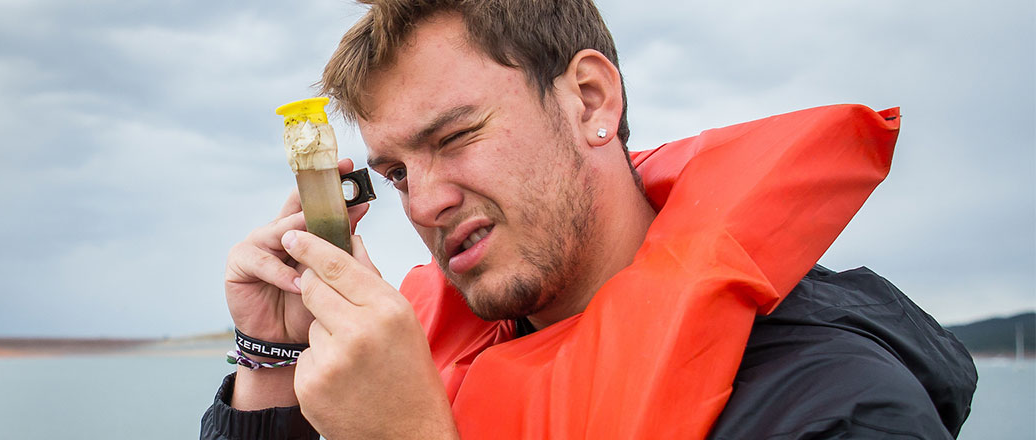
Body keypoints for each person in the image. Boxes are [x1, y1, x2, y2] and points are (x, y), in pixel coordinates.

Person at [201, 1, 976, 439]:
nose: (425, 203)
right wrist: (271, 360)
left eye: (457, 136)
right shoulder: (416, 371)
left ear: (591, 101)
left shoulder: (835, 407)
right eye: (398, 171)